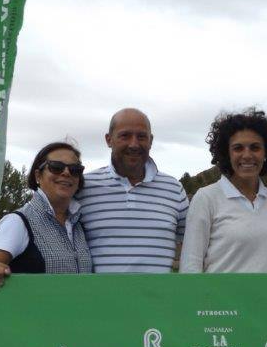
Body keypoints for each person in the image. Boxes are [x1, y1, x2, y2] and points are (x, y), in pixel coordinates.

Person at [76, 108, 189, 273]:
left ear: (150, 141)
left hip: (160, 298)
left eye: (141, 136)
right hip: (99, 298)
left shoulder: (174, 189)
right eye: (125, 136)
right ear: (109, 140)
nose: (134, 144)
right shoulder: (84, 187)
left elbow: (192, 246)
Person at [180, 109, 267, 273]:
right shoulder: (206, 198)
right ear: (227, 154)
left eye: (255, 147)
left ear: (266, 153)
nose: (247, 155)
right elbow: (190, 266)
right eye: (238, 148)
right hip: (217, 299)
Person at [0, 141, 93, 289]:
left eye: (75, 169)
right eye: (56, 167)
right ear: (38, 176)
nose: (66, 173)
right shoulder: (17, 222)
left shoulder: (77, 224)